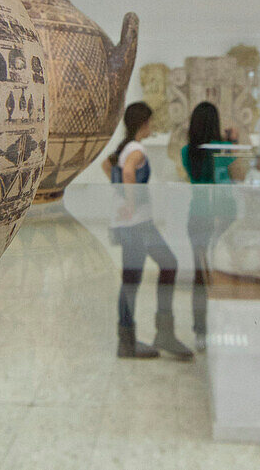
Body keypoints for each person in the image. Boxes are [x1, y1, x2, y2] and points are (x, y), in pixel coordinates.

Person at [104, 102, 193, 361]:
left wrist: (120, 194)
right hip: (137, 225)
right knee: (166, 265)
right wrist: (130, 204)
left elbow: (107, 167)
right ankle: (150, 336)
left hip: (133, 225)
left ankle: (130, 341)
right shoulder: (136, 149)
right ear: (143, 123)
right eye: (150, 122)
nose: (151, 127)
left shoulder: (124, 147)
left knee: (133, 279)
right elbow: (129, 172)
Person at [180, 101, 243, 350]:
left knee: (199, 275)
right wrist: (234, 139)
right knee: (223, 273)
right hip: (224, 216)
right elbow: (236, 166)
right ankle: (223, 326)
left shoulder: (187, 152)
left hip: (197, 215)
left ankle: (200, 332)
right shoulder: (223, 150)